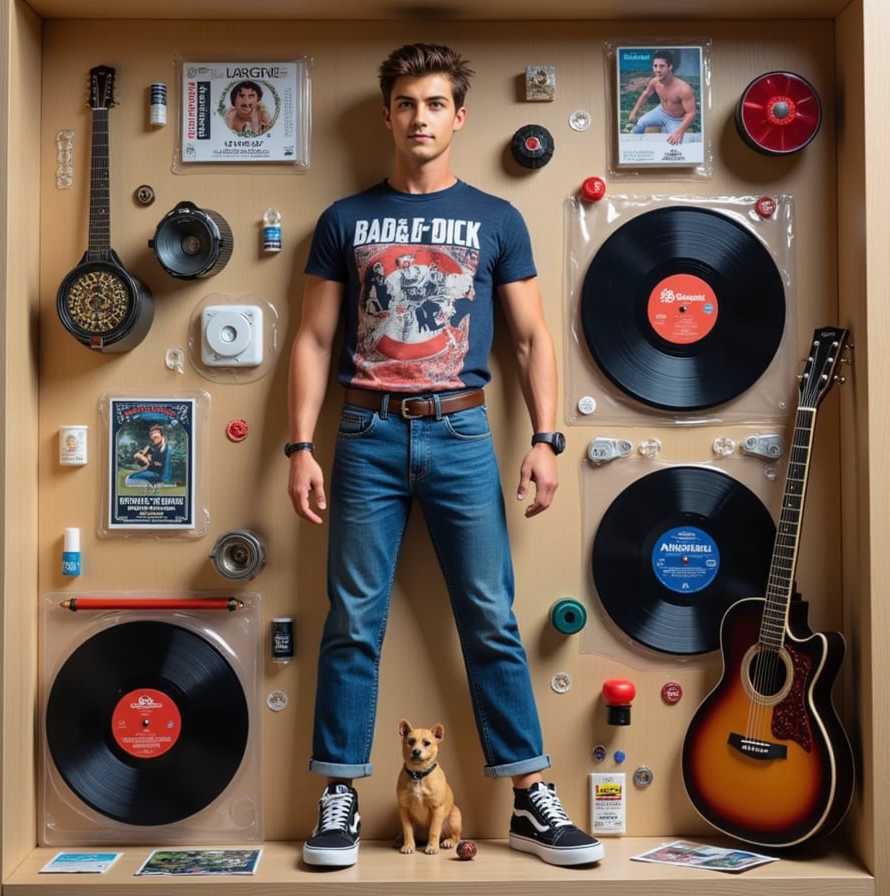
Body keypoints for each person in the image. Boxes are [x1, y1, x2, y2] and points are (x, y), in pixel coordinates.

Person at [286, 42, 604, 871]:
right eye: (405, 103)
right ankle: (341, 798)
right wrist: (297, 446)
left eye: (435, 104)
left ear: (458, 116)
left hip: (463, 432)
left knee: (492, 621)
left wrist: (546, 438)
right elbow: (316, 339)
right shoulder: (344, 221)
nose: (419, 117)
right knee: (353, 621)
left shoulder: (497, 219)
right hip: (364, 436)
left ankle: (531, 799)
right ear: (388, 114)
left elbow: (534, 339)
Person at [627, 49, 697, 144]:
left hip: (676, 119)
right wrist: (634, 111)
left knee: (676, 143)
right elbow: (645, 94)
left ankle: (668, 130)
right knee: (639, 126)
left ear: (670, 66)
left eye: (662, 66)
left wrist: (679, 131)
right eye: (655, 66)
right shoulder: (654, 82)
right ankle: (637, 149)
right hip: (661, 111)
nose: (657, 70)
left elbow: (691, 113)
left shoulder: (683, 88)